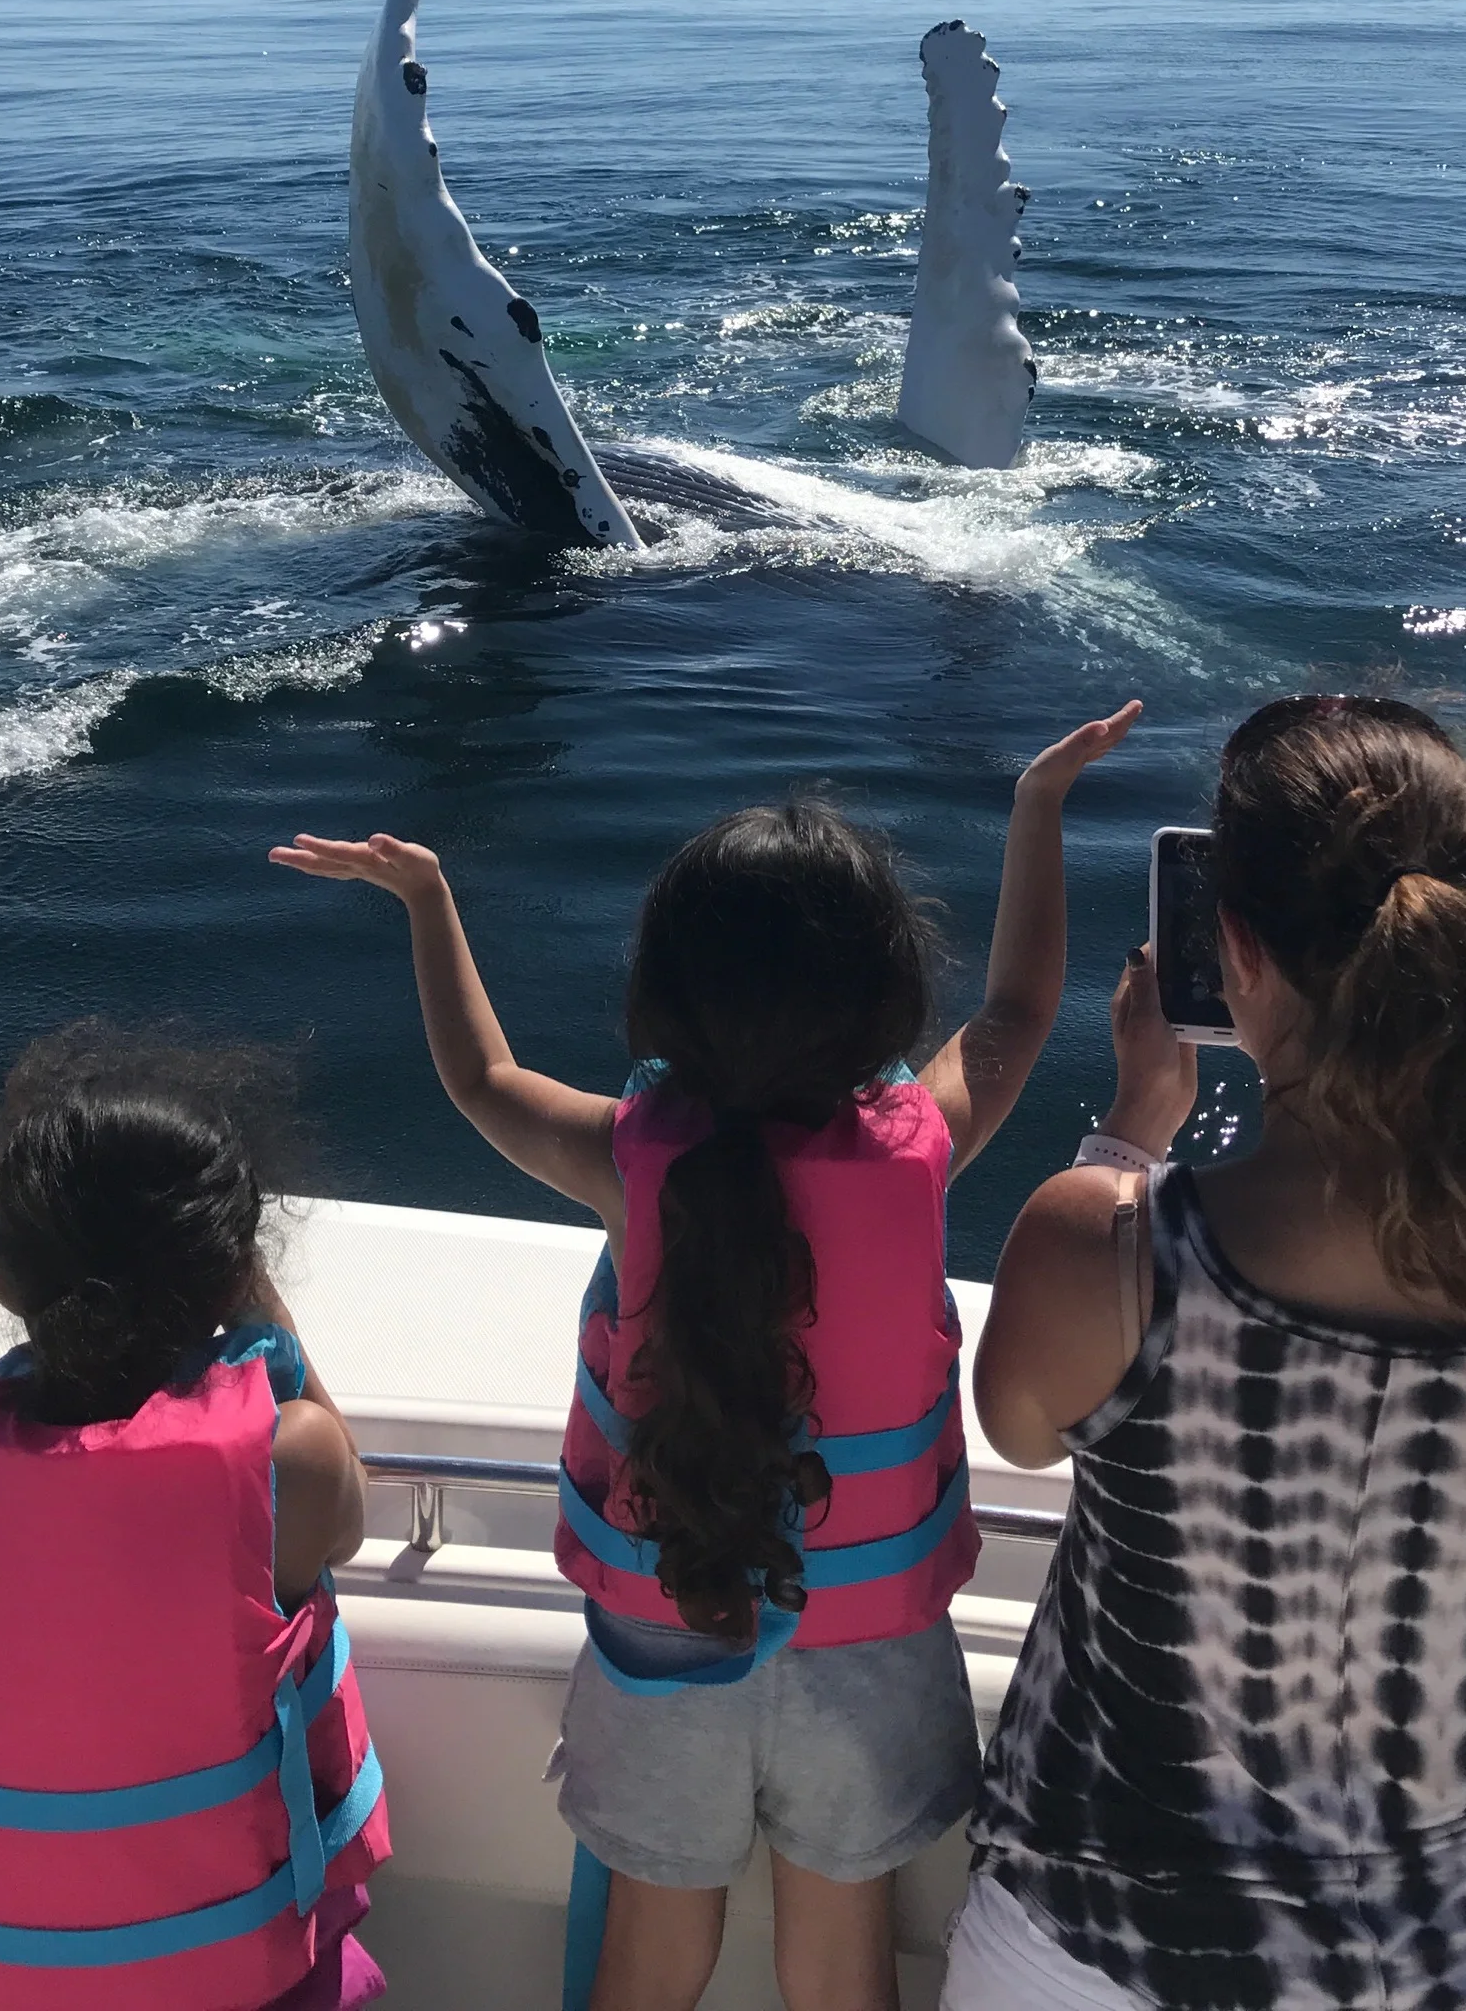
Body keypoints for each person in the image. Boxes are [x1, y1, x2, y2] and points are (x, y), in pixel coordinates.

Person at [274, 701, 1139, 2011]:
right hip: (870, 1647)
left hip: (658, 1635)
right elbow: (1019, 1002)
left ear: (664, 993)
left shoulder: (633, 1165)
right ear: (882, 992)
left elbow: (481, 1077)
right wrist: (1035, 805)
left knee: (652, 1945)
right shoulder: (916, 1151)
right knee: (839, 1949)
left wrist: (428, 899)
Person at [948, 695, 1466, 2011]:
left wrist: (1127, 1131)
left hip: (1104, 1943)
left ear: (1226, 946)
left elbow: (1015, 1432)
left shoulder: (1104, 1253)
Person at [0, 1023, 391, 2011]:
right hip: (237, 1983)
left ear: (6, 1274)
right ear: (229, 1270)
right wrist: (251, 1302)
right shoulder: (284, 1462)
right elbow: (348, 1501)